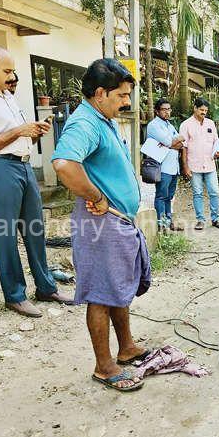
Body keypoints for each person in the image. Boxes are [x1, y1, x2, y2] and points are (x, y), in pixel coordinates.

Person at [52, 58, 150, 392]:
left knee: (117, 289)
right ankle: (104, 367)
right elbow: (64, 165)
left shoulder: (101, 117)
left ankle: (125, 348)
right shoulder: (85, 123)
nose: (127, 102)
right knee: (101, 295)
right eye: (122, 95)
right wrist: (96, 195)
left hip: (117, 222)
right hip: (101, 223)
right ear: (99, 93)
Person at [0, 46, 73, 317]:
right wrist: (19, 130)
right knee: (5, 233)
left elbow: (17, 137)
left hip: (24, 167)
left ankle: (45, 287)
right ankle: (14, 295)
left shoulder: (6, 97)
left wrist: (35, 132)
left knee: (35, 229)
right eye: (6, 71)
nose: (11, 76)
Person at [180, 98, 219, 230]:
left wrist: (217, 152)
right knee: (197, 193)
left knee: (214, 192)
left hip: (210, 164)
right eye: (201, 110)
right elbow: (184, 147)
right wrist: (185, 166)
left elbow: (216, 142)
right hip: (194, 165)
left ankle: (215, 219)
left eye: (205, 110)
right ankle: (200, 220)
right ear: (195, 108)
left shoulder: (210, 123)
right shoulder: (186, 125)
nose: (203, 112)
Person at [146, 98, 184, 232]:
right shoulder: (154, 125)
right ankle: (162, 224)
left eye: (169, 109)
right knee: (161, 196)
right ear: (157, 111)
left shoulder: (169, 125)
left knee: (169, 196)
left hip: (174, 167)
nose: (167, 112)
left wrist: (173, 143)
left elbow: (181, 142)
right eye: (164, 109)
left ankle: (169, 221)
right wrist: (172, 143)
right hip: (162, 167)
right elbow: (169, 141)